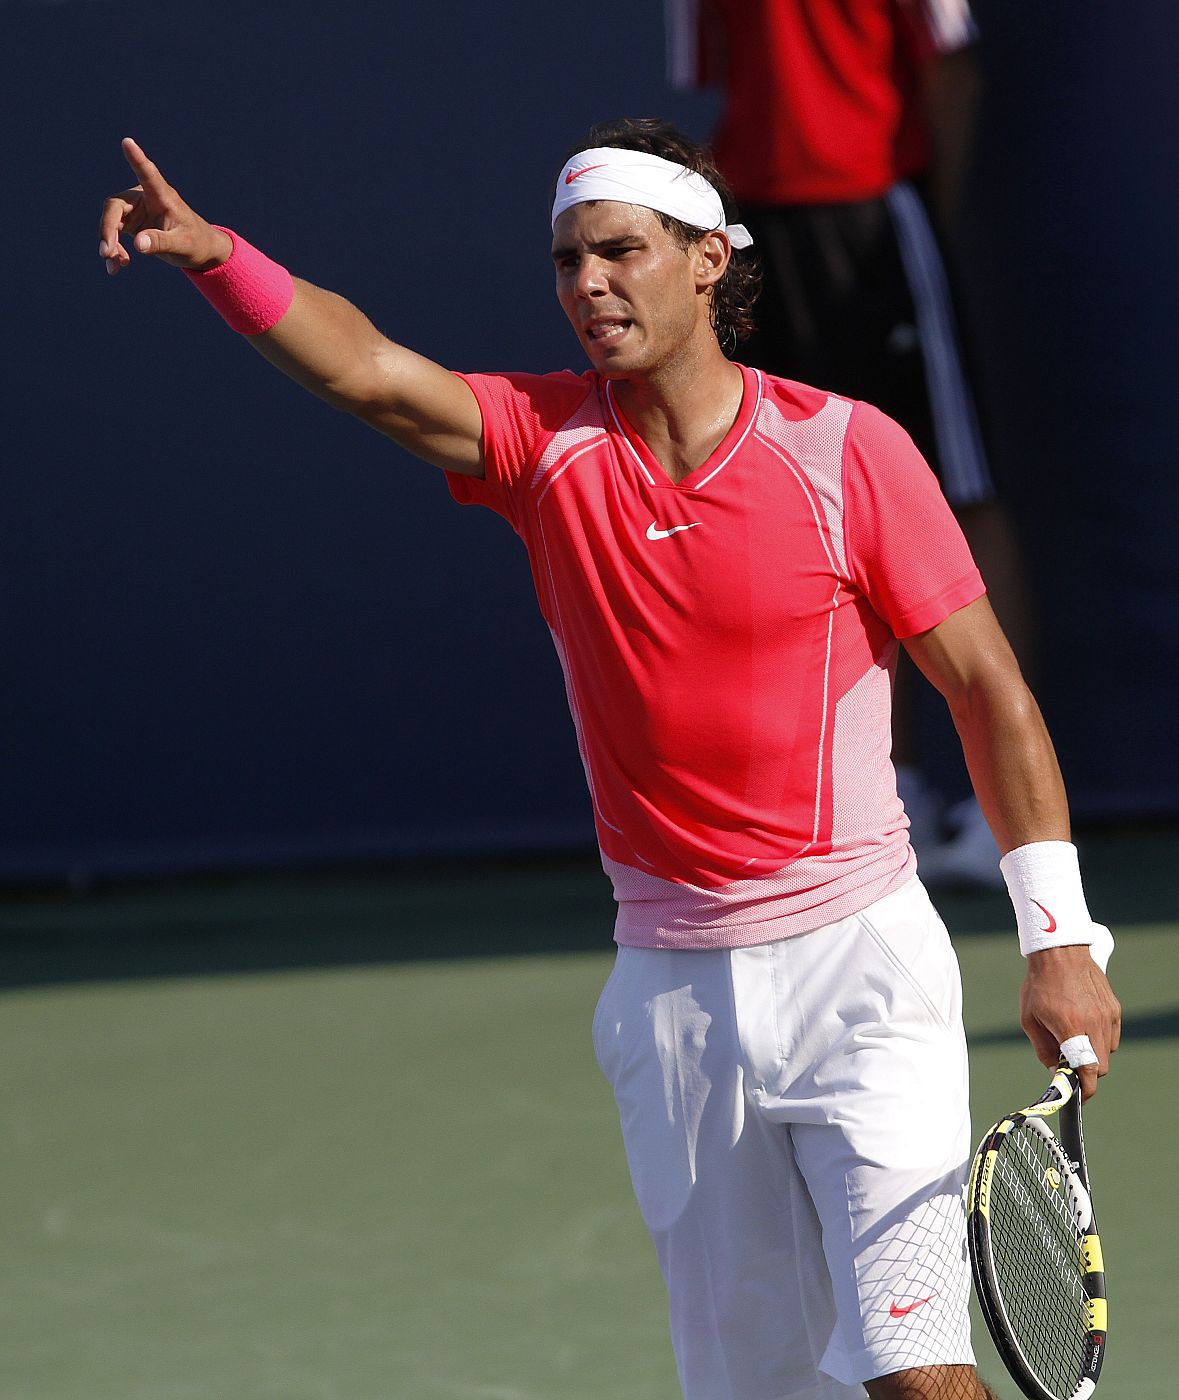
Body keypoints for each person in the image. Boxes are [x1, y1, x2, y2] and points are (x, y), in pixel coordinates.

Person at [98, 119, 1120, 1400]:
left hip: (865, 975)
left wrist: (1059, 936)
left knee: (915, 1369)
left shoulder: (848, 451)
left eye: (621, 251)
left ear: (706, 260)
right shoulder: (542, 447)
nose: (589, 283)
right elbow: (363, 370)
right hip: (673, 998)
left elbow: (989, 691)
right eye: (568, 260)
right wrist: (218, 258)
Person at [665, 0, 1035, 887]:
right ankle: (885, 790)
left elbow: (951, 63)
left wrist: (912, 208)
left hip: (876, 215)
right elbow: (730, 84)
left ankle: (1008, 817)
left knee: (953, 492)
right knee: (793, 507)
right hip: (756, 231)